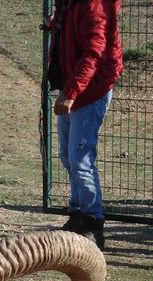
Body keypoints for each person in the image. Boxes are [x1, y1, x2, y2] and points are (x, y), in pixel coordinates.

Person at [45, 0, 123, 250]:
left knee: (80, 158)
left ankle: (93, 222)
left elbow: (94, 51)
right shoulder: (71, 4)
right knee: (69, 156)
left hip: (90, 90)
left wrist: (71, 92)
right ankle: (78, 214)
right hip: (73, 85)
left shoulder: (93, 5)